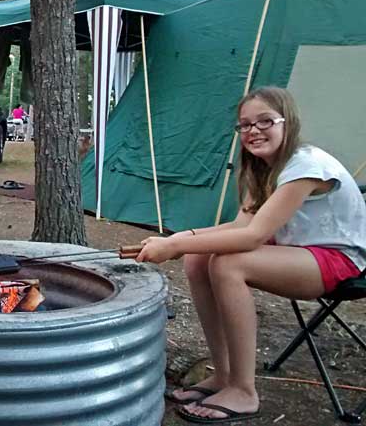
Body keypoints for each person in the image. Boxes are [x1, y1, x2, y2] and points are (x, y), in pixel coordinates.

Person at [135, 87, 366, 424]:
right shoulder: (262, 168)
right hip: (297, 252)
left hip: (339, 259)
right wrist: (182, 239)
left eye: (265, 121)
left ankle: (244, 391)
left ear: (288, 123)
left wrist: (174, 245)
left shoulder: (306, 165)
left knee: (229, 263)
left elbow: (253, 237)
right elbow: (239, 226)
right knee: (198, 259)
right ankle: (225, 374)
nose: (253, 131)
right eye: (245, 125)